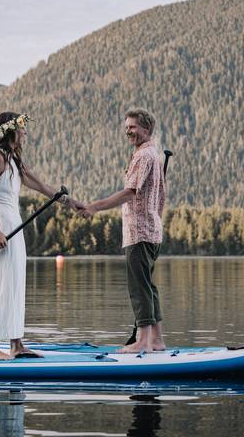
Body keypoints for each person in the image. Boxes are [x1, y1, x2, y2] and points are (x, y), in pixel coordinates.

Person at [0, 111, 82, 360]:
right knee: (3, 283)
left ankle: (16, 344)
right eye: (22, 128)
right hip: (3, 226)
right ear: (11, 130)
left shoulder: (13, 159)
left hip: (14, 226)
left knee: (15, 282)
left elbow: (44, 187)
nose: (25, 132)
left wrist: (73, 204)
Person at [81, 108, 166, 353]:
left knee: (139, 286)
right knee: (148, 285)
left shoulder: (143, 156)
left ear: (146, 129)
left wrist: (95, 207)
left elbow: (130, 192)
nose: (128, 131)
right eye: (127, 126)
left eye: (133, 127)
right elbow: (162, 194)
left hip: (139, 232)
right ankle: (157, 340)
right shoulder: (154, 154)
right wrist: (156, 219)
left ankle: (143, 342)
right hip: (152, 230)